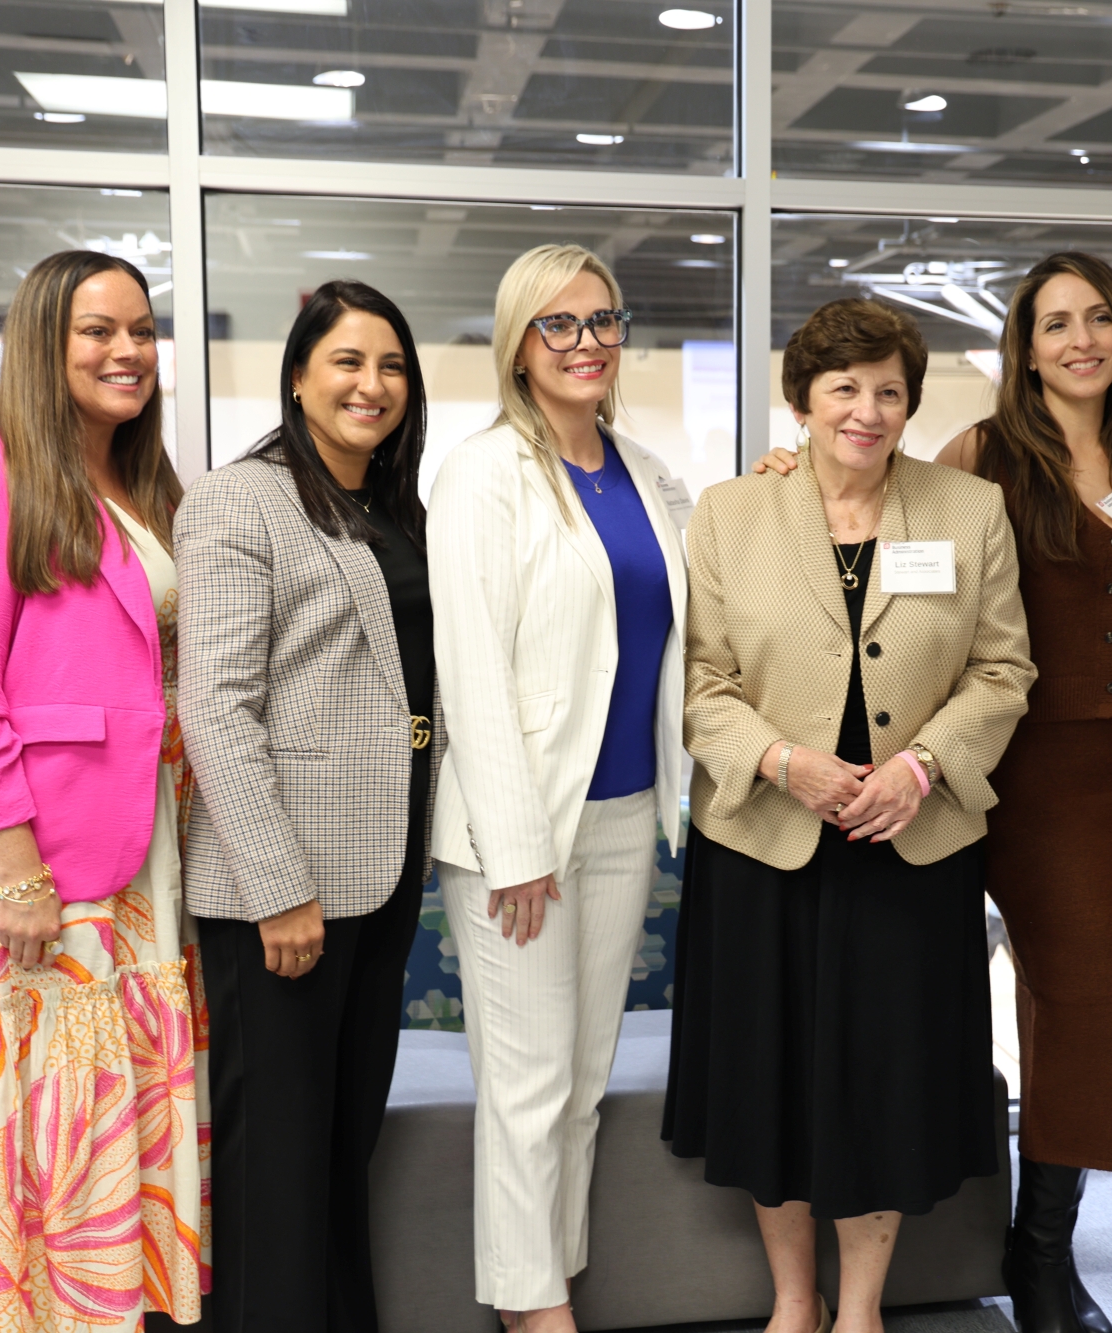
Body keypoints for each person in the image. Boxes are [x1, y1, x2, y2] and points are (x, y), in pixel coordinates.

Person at [757, 253, 1112, 1333]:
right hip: (991, 760)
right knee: (931, 999)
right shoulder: (982, 455)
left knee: (1091, 1017)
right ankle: (903, 1249)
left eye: (1096, 319)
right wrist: (784, 475)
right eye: (1053, 324)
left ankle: (1040, 1253)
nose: (1078, 339)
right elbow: (867, 506)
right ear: (1022, 347)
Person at [668, 297, 1035, 1333]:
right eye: (842, 388)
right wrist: (784, 761)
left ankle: (861, 1307)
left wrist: (920, 767)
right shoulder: (728, 514)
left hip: (909, 848)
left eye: (886, 390)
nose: (865, 411)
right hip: (764, 844)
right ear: (801, 400)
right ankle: (794, 1300)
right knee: (770, 1079)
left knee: (884, 1083)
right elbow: (701, 686)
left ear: (910, 402)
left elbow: (1002, 671)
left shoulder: (969, 510)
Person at [0, 249, 207, 1331]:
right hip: (31, 866)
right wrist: (16, 867)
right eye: (97, 332)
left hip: (142, 848)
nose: (127, 351)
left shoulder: (146, 486)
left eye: (140, 330)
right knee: (27, 1130)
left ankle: (106, 1309)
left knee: (101, 1118)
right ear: (43, 343)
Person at [427, 244, 688, 1331]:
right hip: (519, 830)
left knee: (580, 1083)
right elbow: (470, 669)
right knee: (527, 1089)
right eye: (558, 325)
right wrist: (516, 843)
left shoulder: (644, 469)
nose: (586, 343)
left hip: (627, 812)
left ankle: (549, 1281)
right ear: (518, 348)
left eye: (602, 320)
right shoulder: (482, 474)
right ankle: (536, 1315)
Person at [176, 279, 442, 1332]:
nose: (370, 384)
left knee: (339, 1150)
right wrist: (280, 889)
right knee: (274, 1167)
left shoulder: (392, 501)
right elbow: (215, 707)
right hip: (279, 898)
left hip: (380, 871)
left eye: (390, 364)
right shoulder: (244, 499)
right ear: (297, 374)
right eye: (346, 361)